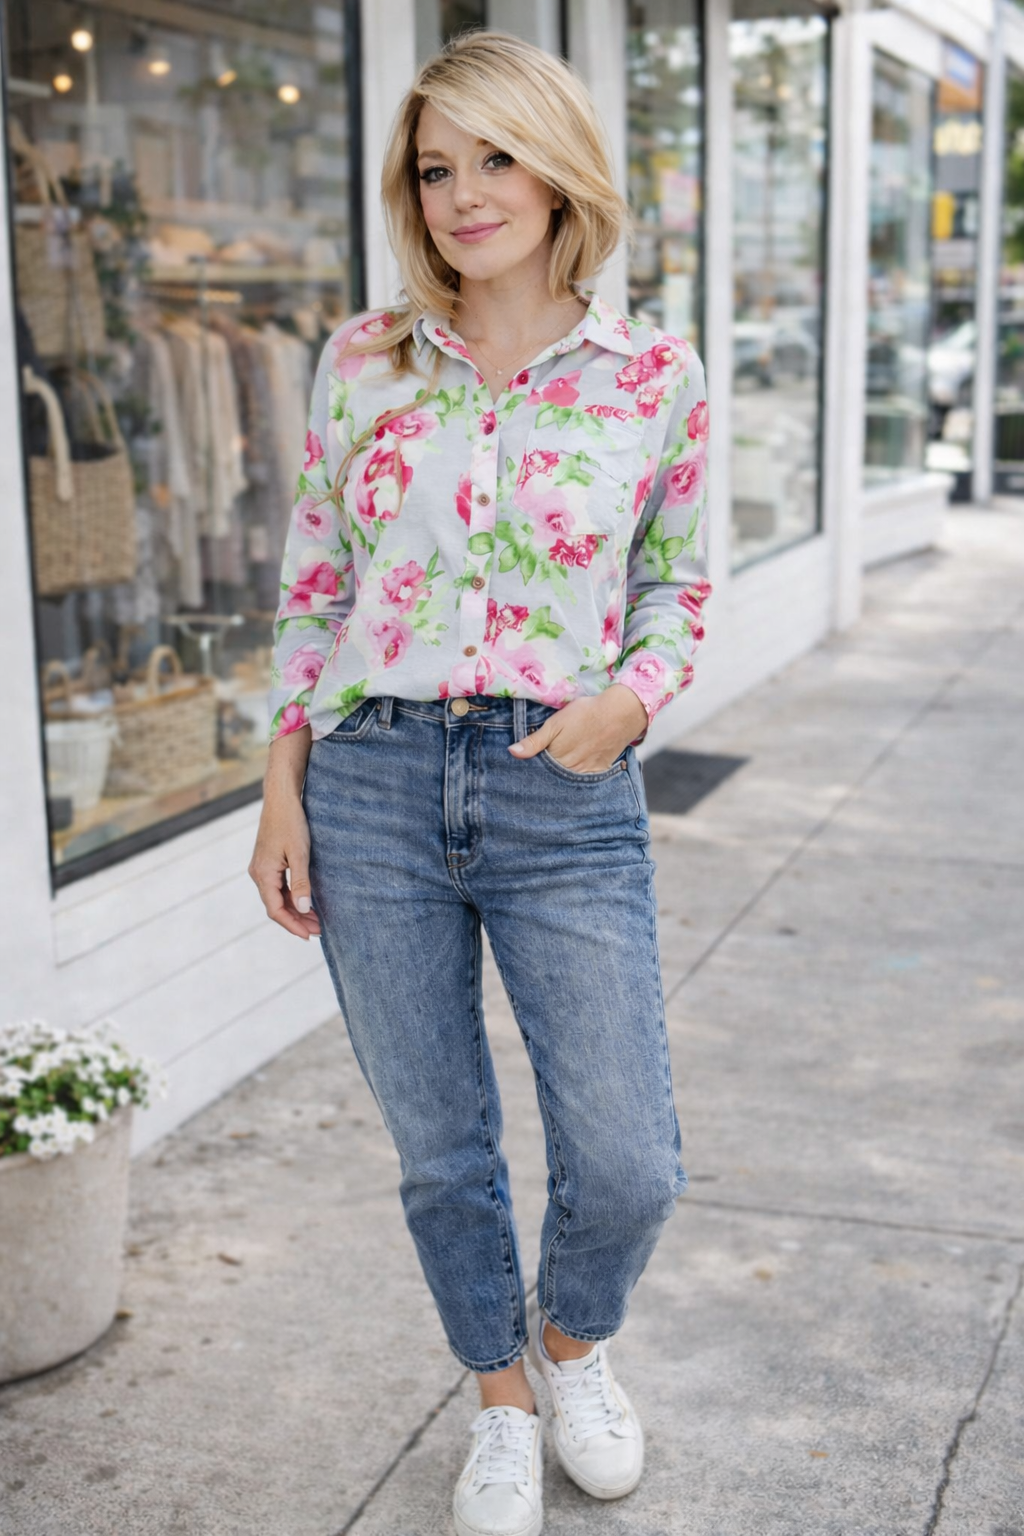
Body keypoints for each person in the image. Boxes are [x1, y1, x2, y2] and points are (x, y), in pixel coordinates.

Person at [249, 30, 710, 1536]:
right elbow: (313, 588)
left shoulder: (654, 372)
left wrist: (628, 705)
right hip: (372, 781)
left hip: (558, 786)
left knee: (630, 1157)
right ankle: (499, 1401)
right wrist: (283, 786)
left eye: (495, 157)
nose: (463, 194)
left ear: (558, 164)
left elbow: (677, 588)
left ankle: (573, 1345)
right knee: (439, 1141)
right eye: (436, 168)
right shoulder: (362, 360)